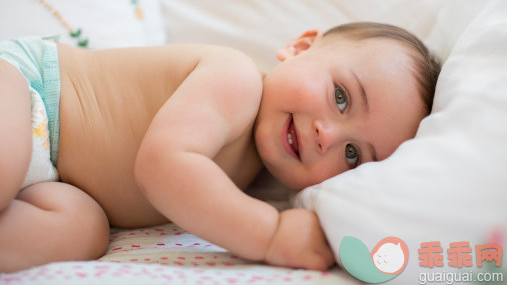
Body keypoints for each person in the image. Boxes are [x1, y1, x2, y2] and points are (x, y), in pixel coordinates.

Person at [0, 22, 441, 273]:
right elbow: (163, 165)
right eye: (341, 96)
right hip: (26, 89)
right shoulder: (236, 79)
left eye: (352, 156)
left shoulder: (256, 182)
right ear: (300, 47)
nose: (328, 134)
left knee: (82, 230)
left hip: (60, 178)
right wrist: (269, 234)